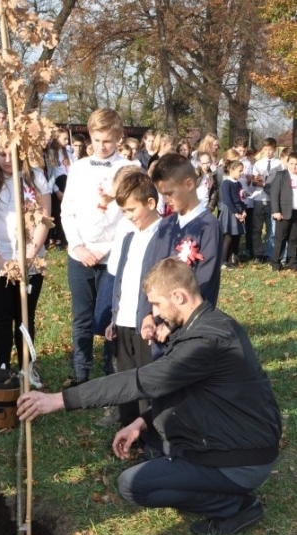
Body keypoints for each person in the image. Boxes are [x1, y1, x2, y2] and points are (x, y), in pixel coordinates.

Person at [17, 258, 280, 535]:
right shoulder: (211, 324)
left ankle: (236, 505)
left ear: (178, 296)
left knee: (134, 484)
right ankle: (217, 484)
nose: (155, 313)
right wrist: (140, 423)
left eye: (156, 304)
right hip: (239, 443)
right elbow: (184, 390)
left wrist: (60, 400)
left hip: (242, 459)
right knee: (164, 457)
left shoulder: (204, 343)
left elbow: (139, 380)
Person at [60, 107, 136, 385]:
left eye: (108, 140)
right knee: (81, 316)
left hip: (113, 256)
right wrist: (78, 246)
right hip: (80, 254)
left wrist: (106, 249)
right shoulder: (78, 168)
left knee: (110, 318)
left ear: (119, 137)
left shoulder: (129, 170)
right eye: (97, 139)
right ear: (89, 136)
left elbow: (131, 218)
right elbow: (67, 211)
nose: (102, 146)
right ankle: (81, 373)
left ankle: (109, 376)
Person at [0, 146, 50, 372]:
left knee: (25, 318)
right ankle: (3, 368)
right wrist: (1, 264)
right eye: (2, 154)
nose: (8, 160)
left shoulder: (36, 178)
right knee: (2, 318)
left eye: (13, 154)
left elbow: (45, 218)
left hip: (30, 259)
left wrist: (28, 258)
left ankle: (27, 369)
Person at [140, 152, 222, 345]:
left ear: (189, 184)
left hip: (186, 327)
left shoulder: (208, 227)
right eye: (162, 195)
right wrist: (147, 314)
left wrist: (172, 324)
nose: (166, 199)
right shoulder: (165, 225)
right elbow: (150, 270)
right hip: (158, 322)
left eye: (169, 193)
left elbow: (205, 280)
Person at [105, 170, 161, 426]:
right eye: (124, 212)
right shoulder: (129, 238)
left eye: (131, 210)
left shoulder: (163, 236)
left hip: (146, 323)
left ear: (150, 203)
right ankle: (126, 430)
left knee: (147, 381)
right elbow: (121, 280)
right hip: (124, 321)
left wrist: (154, 316)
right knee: (126, 379)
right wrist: (114, 318)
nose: (128, 217)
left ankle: (149, 434)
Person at [269, 151, 297, 272]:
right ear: (287, 163)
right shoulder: (281, 175)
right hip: (283, 212)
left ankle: (292, 262)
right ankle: (276, 262)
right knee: (280, 238)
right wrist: (276, 211)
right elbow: (274, 194)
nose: (294, 166)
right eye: (292, 163)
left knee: (294, 239)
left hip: (296, 212)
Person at [251, 137, 278, 261]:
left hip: (272, 200)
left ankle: (269, 252)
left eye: (270, 150)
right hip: (258, 198)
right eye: (266, 149)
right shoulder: (258, 164)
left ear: (274, 150)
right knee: (257, 227)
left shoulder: (279, 164)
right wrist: (257, 180)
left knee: (271, 228)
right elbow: (253, 181)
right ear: (262, 150)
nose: (268, 152)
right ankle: (258, 253)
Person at [219, 157, 246, 268]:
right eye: (240, 171)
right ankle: (222, 261)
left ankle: (231, 260)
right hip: (230, 211)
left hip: (238, 210)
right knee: (228, 237)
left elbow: (240, 199)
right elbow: (227, 200)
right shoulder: (226, 183)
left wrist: (243, 210)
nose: (241, 173)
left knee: (235, 237)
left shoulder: (238, 184)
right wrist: (235, 212)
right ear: (231, 170)